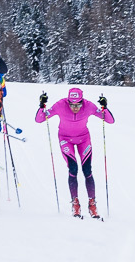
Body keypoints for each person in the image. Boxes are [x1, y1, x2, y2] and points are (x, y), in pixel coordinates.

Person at [37, 87, 115, 218]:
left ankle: (92, 203)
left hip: (83, 139)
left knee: (87, 170)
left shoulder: (88, 106)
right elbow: (39, 119)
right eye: (72, 104)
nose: (75, 107)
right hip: (65, 139)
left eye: (78, 104)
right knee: (73, 168)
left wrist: (104, 107)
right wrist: (41, 106)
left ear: (82, 101)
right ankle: (75, 203)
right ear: (68, 101)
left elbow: (109, 120)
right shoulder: (60, 105)